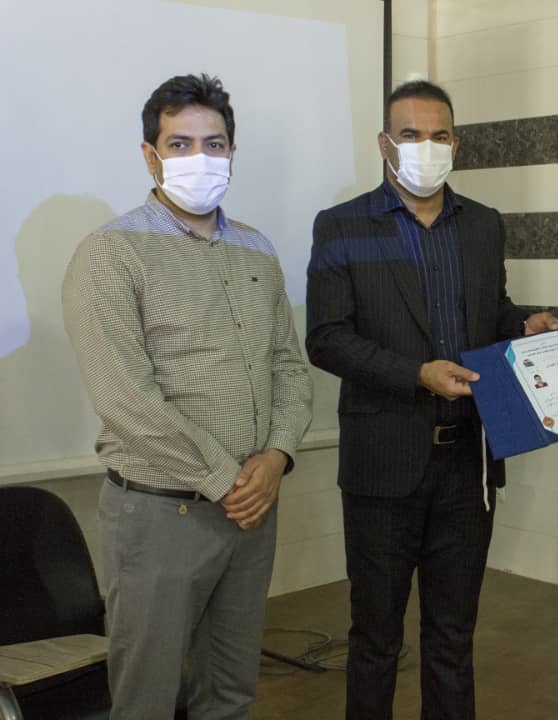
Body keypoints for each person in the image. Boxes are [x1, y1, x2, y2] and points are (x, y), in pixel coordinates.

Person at [305, 80, 558, 720]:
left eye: (439, 135)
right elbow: (327, 338)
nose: (427, 146)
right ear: (384, 144)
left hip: (467, 464)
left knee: (453, 636)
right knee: (376, 638)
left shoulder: (482, 224)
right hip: (383, 462)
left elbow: (490, 312)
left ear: (456, 142)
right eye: (411, 135)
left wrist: (523, 323)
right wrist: (415, 374)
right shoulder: (341, 225)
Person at [62, 73, 313, 719]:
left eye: (214, 143)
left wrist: (277, 456)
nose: (200, 158)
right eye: (180, 144)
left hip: (252, 511)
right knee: (146, 698)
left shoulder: (256, 248)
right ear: (151, 155)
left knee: (229, 691)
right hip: (161, 514)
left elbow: (288, 366)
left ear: (232, 152)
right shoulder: (110, 253)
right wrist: (230, 479)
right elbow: (125, 396)